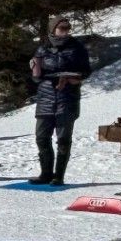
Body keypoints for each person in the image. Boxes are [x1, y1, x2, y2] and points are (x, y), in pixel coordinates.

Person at [29, 18, 93, 185]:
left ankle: (59, 176)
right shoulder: (43, 48)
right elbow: (36, 78)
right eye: (62, 28)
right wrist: (34, 67)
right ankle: (46, 173)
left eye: (68, 28)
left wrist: (72, 77)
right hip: (45, 97)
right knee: (41, 137)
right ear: (53, 30)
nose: (66, 31)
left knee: (63, 139)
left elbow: (86, 71)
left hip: (67, 97)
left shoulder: (77, 48)